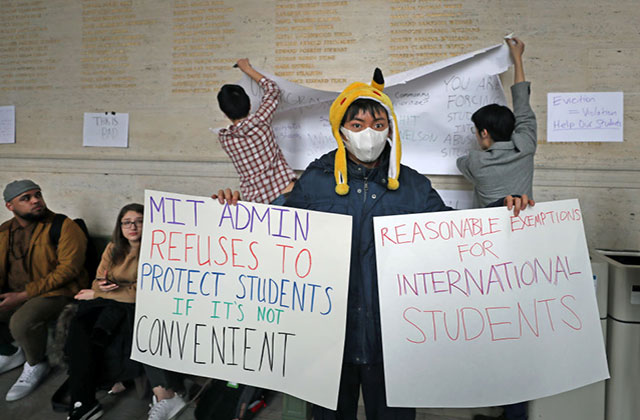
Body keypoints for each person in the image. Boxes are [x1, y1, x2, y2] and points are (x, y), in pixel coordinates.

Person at [279, 69, 532, 419]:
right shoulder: (315, 181)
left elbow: (455, 233)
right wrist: (227, 210)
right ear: (341, 131)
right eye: (358, 125)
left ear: (390, 128)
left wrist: (501, 211)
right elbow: (274, 231)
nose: (369, 133)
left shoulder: (412, 186)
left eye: (379, 124)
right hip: (329, 342)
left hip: (394, 343)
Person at [64, 203, 186, 420]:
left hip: (142, 306)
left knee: (142, 324)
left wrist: (102, 294)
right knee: (80, 325)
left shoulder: (157, 249)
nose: (133, 227)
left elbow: (141, 293)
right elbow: (96, 282)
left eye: (139, 221)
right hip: (112, 305)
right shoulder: (113, 248)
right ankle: (83, 399)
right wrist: (101, 290)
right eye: (127, 222)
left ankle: (165, 394)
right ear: (120, 226)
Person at [0, 179, 89, 401]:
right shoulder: (4, 231)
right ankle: (10, 353)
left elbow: (68, 270)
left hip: (57, 292)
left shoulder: (64, 225)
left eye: (37, 195)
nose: (36, 201)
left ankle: (35, 363)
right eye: (26, 198)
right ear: (10, 206)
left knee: (21, 321)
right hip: (15, 290)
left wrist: (24, 295)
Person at [456, 37, 537, 208]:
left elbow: (460, 162)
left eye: (476, 131)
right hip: (524, 226)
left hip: (489, 231)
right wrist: (518, 59)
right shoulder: (526, 147)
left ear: (484, 133)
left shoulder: (474, 162)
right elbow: (523, 107)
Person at [217, 58, 296, 205]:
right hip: (286, 192)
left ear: (225, 114)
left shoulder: (225, 139)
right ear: (250, 104)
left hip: (257, 204)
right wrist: (246, 68)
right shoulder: (260, 121)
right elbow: (272, 89)